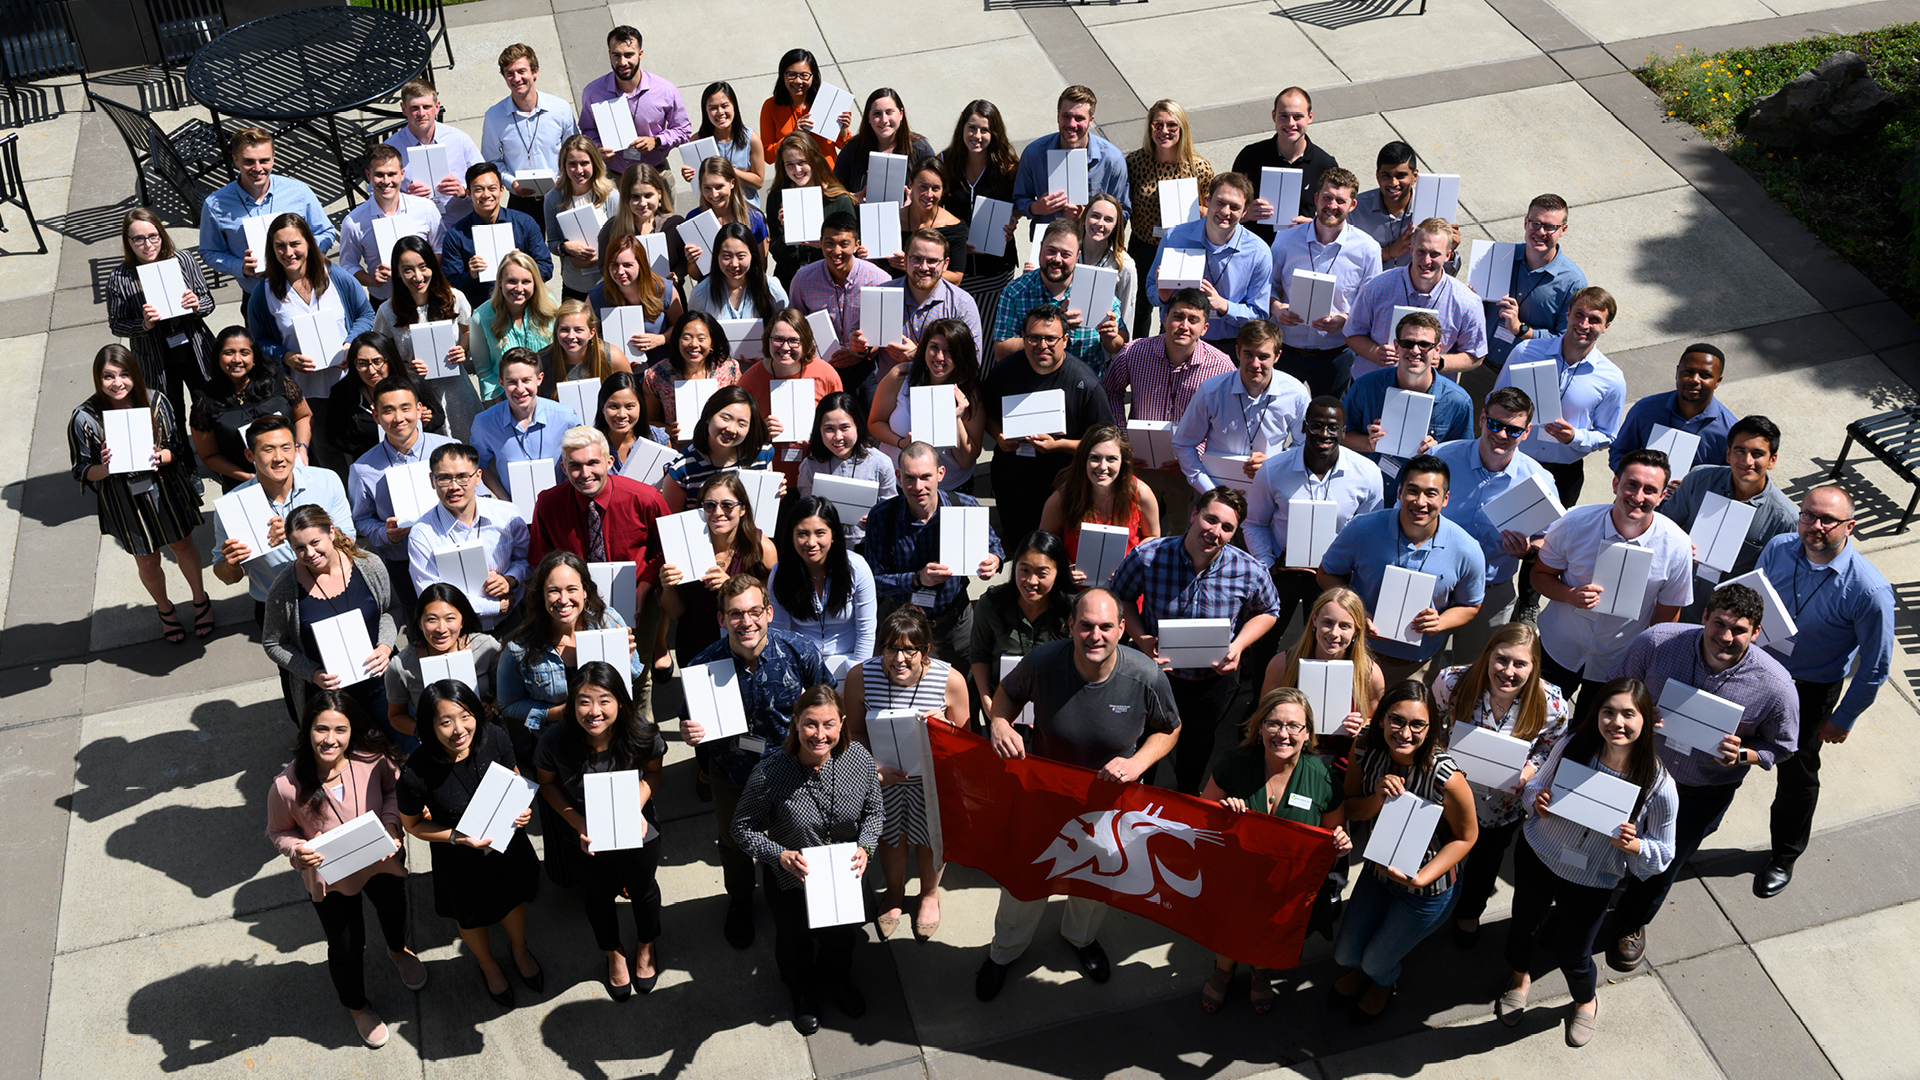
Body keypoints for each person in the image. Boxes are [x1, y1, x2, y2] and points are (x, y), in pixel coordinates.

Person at [976, 589, 1179, 1000]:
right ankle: (1004, 952)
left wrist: (1138, 764)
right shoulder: (1043, 661)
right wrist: (998, 723)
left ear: (1122, 630)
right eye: (1085, 625)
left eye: (1106, 626)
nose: (1095, 635)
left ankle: (1081, 939)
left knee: (1096, 881)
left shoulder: (1145, 676)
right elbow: (1009, 695)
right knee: (1026, 880)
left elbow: (1169, 727)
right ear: (1070, 626)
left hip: (1110, 805)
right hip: (1046, 797)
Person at [1600, 585, 1797, 969]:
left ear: (1756, 633)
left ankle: (1631, 923)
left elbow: (1784, 746)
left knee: (1663, 863)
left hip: (1700, 789)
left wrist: (1743, 754)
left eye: (1739, 629)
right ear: (1704, 616)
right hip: (1636, 771)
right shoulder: (1657, 642)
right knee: (1608, 839)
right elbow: (1615, 686)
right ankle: (1588, 904)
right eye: (1719, 623)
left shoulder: (1775, 685)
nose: (1726, 636)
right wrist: (1637, 712)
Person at [1501, 677, 1675, 1047]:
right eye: (1608, 712)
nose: (1617, 722)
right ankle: (1519, 979)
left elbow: (1664, 853)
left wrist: (1635, 847)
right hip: (1539, 854)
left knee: (1575, 952)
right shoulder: (1573, 746)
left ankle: (1585, 1000)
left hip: (1593, 877)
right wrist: (1538, 802)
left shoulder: (1658, 784)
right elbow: (1533, 789)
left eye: (1628, 714)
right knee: (1523, 927)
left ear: (1646, 720)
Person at [1751, 485, 1895, 899]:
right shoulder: (1779, 547)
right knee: (1720, 752)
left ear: (1849, 526)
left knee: (1796, 775)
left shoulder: (1869, 591)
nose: (1815, 526)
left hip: (1809, 690)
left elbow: (1875, 665)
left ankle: (1784, 855)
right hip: (1759, 669)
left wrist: (1843, 717)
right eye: (1808, 515)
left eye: (1827, 520)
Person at [683, 575, 837, 948]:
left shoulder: (801, 653)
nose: (746, 622)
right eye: (735, 614)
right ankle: (740, 899)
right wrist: (691, 733)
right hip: (732, 775)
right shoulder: (702, 666)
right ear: (721, 619)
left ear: (769, 612)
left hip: (793, 771)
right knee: (735, 844)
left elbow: (830, 704)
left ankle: (807, 896)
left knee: (806, 836)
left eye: (754, 611)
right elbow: (688, 718)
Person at [266, 691, 423, 1048]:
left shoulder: (372, 759)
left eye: (341, 729)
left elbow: (393, 792)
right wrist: (296, 851)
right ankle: (357, 1004)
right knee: (346, 947)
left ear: (353, 731)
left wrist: (392, 826)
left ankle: (398, 950)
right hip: (332, 879)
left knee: (395, 912)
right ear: (307, 730)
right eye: (322, 729)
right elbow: (280, 831)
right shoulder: (286, 786)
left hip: (380, 861)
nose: (330, 739)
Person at [731, 683, 883, 1034]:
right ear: (796, 722)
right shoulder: (770, 773)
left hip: (843, 877)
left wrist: (866, 846)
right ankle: (802, 993)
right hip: (791, 880)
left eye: (829, 724)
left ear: (842, 723)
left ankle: (838, 982)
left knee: (841, 939)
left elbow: (875, 812)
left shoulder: (858, 759)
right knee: (795, 942)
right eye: (811, 724)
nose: (819, 734)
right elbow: (741, 828)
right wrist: (778, 854)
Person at [1111, 487, 1279, 792]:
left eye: (1227, 527)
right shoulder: (1148, 556)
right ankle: (1136, 802)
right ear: (1193, 514)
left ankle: (1184, 800)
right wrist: (1143, 638)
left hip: (1212, 682)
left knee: (1197, 748)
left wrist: (1239, 645)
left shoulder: (1248, 569)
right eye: (1210, 519)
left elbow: (1269, 610)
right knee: (1146, 743)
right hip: (1156, 676)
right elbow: (1120, 596)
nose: (1215, 532)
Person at [1330, 681, 1477, 1024]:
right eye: (1396, 720)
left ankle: (1383, 983)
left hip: (1425, 890)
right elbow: (1348, 808)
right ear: (1381, 719)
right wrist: (1377, 800)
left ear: (1430, 728)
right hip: (1378, 874)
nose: (1405, 732)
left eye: (1417, 724)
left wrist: (1419, 876)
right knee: (1345, 954)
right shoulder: (1365, 748)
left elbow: (1468, 837)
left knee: (1374, 962)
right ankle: (1369, 971)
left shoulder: (1445, 776)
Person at [1198, 687, 1350, 1013]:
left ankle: (1260, 972)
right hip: (1235, 874)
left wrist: (1340, 844)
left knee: (1270, 932)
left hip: (1283, 884)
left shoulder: (1322, 778)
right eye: (1273, 724)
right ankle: (1223, 970)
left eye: (1294, 726)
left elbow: (1332, 836)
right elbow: (1200, 816)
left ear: (1308, 733)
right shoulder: (1235, 762)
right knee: (1230, 925)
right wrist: (1223, 813)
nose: (1283, 734)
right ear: (1260, 727)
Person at [397, 680, 544, 1007]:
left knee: (512, 901)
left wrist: (523, 808)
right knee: (471, 916)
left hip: (505, 842)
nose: (458, 729)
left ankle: (519, 951)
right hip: (459, 858)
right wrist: (457, 837)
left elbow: (514, 775)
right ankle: (488, 965)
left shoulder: (494, 737)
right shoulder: (415, 774)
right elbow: (413, 824)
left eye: (465, 716)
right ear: (428, 726)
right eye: (445, 722)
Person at [1431, 621, 1570, 945]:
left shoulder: (1552, 706)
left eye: (1520, 663)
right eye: (1502, 659)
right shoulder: (1451, 682)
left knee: (1484, 864)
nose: (1508, 671)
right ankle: (1426, 906)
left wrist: (1528, 772)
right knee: (1435, 851)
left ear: (1534, 666)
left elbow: (1550, 748)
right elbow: (1432, 724)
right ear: (1488, 655)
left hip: (1501, 809)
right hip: (1446, 797)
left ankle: (1469, 912)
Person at [535, 662, 667, 1000]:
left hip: (636, 828)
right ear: (571, 704)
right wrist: (578, 822)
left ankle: (646, 944)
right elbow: (546, 785)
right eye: (584, 701)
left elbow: (653, 774)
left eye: (604, 700)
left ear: (620, 701)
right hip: (584, 835)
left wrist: (633, 806)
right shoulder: (555, 741)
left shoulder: (641, 733)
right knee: (597, 896)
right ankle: (613, 952)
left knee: (644, 889)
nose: (594, 711)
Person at [841, 604, 969, 940]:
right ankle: (894, 894)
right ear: (880, 648)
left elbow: (967, 740)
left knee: (929, 839)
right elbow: (853, 731)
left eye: (909, 650)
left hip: (932, 779)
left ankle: (929, 894)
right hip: (883, 777)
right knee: (889, 836)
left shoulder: (950, 680)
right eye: (891, 649)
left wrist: (943, 728)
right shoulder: (860, 677)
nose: (899, 659)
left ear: (925, 650)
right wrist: (872, 770)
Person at [1532, 450, 1693, 715]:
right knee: (1535, 721)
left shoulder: (1676, 546)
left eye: (1650, 490)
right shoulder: (1574, 522)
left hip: (1619, 663)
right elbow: (1539, 576)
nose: (1638, 497)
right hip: (1558, 649)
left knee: (1590, 740)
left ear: (1663, 496)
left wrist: (1647, 670)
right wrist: (1569, 594)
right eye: (1632, 484)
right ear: (1616, 484)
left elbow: (1665, 620)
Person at [69, 343, 210, 643]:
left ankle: (200, 599)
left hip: (164, 490)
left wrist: (162, 457)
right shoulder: (84, 417)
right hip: (123, 499)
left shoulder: (155, 402)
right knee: (147, 561)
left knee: (183, 545)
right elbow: (81, 469)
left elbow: (178, 448)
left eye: (123, 374)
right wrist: (105, 467)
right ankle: (165, 610)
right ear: (98, 378)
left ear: (134, 373)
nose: (117, 383)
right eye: (108, 376)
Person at [210, 416, 353, 713]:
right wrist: (230, 563)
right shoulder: (234, 506)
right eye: (268, 449)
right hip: (279, 606)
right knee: (300, 685)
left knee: (351, 671)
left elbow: (349, 545)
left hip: (335, 590)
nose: (280, 457)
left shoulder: (325, 480)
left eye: (286, 447)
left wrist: (296, 535)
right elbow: (226, 576)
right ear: (250, 455)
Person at [527, 426, 667, 704]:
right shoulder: (548, 503)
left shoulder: (645, 499)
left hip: (637, 600)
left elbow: (666, 549)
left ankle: (639, 735)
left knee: (636, 674)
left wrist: (644, 588)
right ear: (564, 469)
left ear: (609, 462)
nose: (585, 473)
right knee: (586, 677)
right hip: (572, 607)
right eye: (575, 466)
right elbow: (539, 560)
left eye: (593, 463)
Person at [1317, 454, 1485, 686]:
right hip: (1358, 657)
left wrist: (1441, 622)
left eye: (1431, 494)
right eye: (1413, 491)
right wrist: (1354, 610)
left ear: (1445, 499)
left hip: (1419, 667)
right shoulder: (1362, 529)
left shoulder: (1466, 549)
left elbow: (1471, 605)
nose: (1420, 501)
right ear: (1399, 492)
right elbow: (1326, 573)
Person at [1100, 288, 1233, 533]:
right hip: (1137, 463)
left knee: (1181, 532)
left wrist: (1198, 452)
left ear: (1205, 328)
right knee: (1130, 528)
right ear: (1164, 318)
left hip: (1186, 470)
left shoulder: (1221, 366)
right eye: (1177, 316)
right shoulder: (1135, 352)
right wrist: (1122, 440)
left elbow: (1227, 420)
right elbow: (1110, 391)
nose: (1184, 325)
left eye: (1193, 320)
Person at [1243, 397, 1384, 630]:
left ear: (1343, 432)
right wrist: (1267, 566)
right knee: (1264, 646)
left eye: (1333, 428)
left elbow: (1369, 534)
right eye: (1316, 426)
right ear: (1304, 427)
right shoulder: (1273, 470)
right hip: (1282, 573)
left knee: (1325, 648)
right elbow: (1253, 523)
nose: (1324, 434)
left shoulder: (1367, 474)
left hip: (1335, 579)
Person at [983, 304, 1117, 548]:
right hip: (1013, 483)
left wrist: (1059, 445)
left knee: (1056, 552)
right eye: (1034, 338)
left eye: (1050, 338)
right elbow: (988, 415)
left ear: (1065, 340)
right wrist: (999, 437)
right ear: (1023, 338)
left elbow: (1108, 446)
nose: (1041, 345)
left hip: (1064, 487)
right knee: (1018, 547)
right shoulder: (1004, 371)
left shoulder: (1085, 384)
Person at [1431, 386, 1549, 663]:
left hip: (1491, 594)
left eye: (1514, 430)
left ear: (1527, 432)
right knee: (1419, 672)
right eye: (1496, 424)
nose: (1502, 435)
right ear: (1483, 418)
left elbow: (1552, 544)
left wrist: (1529, 552)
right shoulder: (1440, 458)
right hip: (1433, 586)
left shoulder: (1539, 482)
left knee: (1474, 673)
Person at [864, 442, 1005, 673]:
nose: (917, 486)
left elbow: (995, 545)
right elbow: (873, 582)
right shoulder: (882, 517)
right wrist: (916, 579)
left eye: (925, 477)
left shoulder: (965, 506)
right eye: (909, 478)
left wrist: (995, 561)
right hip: (904, 627)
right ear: (898, 477)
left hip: (955, 621)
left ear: (941, 474)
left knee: (966, 687)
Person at [497, 549, 644, 758]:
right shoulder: (519, 647)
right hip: (558, 746)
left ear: (585, 591)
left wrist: (625, 661)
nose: (563, 599)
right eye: (554, 591)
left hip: (611, 740)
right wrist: (559, 712)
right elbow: (508, 704)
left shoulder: (608, 622)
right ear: (541, 595)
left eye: (572, 589)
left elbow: (633, 677)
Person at [1492, 285, 1625, 508]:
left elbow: (1608, 435)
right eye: (1579, 315)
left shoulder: (1612, 379)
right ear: (1568, 314)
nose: (1584, 325)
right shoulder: (1525, 352)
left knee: (1550, 540)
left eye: (1594, 320)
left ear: (1606, 327)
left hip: (1564, 475)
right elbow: (1494, 400)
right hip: (1513, 462)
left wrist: (1576, 437)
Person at [262, 505, 398, 721]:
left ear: (331, 532)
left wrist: (385, 646)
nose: (310, 554)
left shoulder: (369, 565)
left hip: (381, 684)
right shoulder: (284, 588)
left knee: (403, 749)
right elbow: (273, 643)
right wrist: (313, 674)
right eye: (299, 548)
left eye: (315, 542)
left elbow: (392, 609)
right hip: (330, 699)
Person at [245, 213, 377, 434]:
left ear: (308, 242)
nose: (288, 253)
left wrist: (349, 344)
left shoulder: (336, 277)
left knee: (361, 440)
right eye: (280, 246)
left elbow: (366, 314)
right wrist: (285, 356)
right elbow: (258, 339)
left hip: (350, 382)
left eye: (295, 244)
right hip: (306, 390)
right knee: (325, 449)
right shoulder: (263, 292)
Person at [1659, 415, 1796, 616]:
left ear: (1772, 460)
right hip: (1673, 595)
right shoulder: (1699, 479)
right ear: (1728, 454)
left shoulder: (1784, 519)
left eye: (1757, 454)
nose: (1747, 461)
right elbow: (1663, 527)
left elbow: (1778, 581)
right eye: (1740, 451)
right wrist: (1678, 543)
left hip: (1725, 619)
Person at [1268, 168, 1382, 400]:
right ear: (1316, 198)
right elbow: (1265, 284)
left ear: (1352, 206)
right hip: (1287, 351)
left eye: (1341, 200)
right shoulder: (1286, 240)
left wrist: (1345, 320)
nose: (1332, 205)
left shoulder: (1367, 249)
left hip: (1337, 356)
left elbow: (1373, 305)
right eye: (1327, 197)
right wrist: (1276, 307)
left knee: (1328, 427)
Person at [347, 375, 453, 622]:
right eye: (388, 411)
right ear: (376, 416)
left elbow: (478, 499)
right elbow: (361, 520)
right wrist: (385, 533)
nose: (399, 418)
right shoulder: (363, 468)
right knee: (423, 625)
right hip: (403, 562)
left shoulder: (450, 448)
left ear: (418, 409)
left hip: (452, 551)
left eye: (406, 408)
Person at [1340, 311, 1474, 499]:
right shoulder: (1366, 387)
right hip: (1366, 493)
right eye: (1408, 343)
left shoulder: (1458, 401)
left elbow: (1464, 460)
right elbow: (1340, 435)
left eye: (1425, 345)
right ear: (1396, 345)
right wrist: (1369, 443)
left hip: (1420, 502)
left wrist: (1438, 454)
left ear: (1438, 349)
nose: (1415, 351)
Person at [1172, 319, 1309, 498]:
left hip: (1270, 493)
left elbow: (1305, 445)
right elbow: (1183, 443)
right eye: (1248, 354)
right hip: (1216, 492)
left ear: (1277, 356)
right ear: (1237, 352)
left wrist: (1276, 464)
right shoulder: (1211, 391)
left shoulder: (1296, 394)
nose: (1255, 363)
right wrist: (1210, 490)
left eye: (1263, 356)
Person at [199, 127, 336, 298]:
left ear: (273, 158)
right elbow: (209, 251)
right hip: (257, 294)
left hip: (304, 286)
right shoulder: (216, 205)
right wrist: (239, 266)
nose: (257, 168)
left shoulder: (299, 192)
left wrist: (305, 253)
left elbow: (326, 232)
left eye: (264, 160)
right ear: (236, 160)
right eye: (249, 161)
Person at [1343, 218, 1486, 381]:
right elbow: (1352, 333)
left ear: (1447, 255)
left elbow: (1476, 355)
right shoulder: (1377, 287)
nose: (1426, 261)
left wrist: (1442, 362)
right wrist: (1375, 352)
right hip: (1373, 385)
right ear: (1411, 250)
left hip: (1428, 393)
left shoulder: (1467, 302)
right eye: (1421, 252)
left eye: (1435, 254)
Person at [407, 442, 530, 631]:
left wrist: (510, 579)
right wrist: (494, 606)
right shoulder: (422, 534)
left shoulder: (508, 515)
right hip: (458, 634)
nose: (454, 486)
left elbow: (526, 560)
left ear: (478, 477)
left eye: (463, 477)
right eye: (444, 479)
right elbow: (430, 597)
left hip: (512, 622)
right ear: (432, 481)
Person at [663, 473, 778, 672]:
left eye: (727, 505)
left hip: (747, 650)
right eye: (709, 505)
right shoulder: (683, 546)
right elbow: (675, 612)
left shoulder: (762, 549)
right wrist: (668, 587)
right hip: (695, 648)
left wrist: (733, 587)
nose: (718, 512)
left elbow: (773, 609)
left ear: (742, 509)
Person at [107, 207, 215, 419]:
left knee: (208, 405)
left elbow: (208, 301)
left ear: (161, 235)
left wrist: (196, 305)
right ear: (128, 242)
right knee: (169, 413)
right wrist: (143, 325)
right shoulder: (119, 278)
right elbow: (117, 324)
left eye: (153, 236)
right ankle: (179, 452)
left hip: (194, 346)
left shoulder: (183, 260)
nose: (148, 245)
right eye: (138, 239)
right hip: (155, 356)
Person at [372, 237, 482, 439]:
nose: (417, 276)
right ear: (397, 272)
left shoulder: (455, 298)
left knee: (469, 447)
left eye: (423, 267)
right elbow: (379, 354)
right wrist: (405, 367)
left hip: (456, 389)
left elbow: (467, 331)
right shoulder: (387, 311)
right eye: (407, 270)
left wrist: (462, 349)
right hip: (416, 394)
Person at [1148, 172, 1270, 349]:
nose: (1225, 212)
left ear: (1245, 211)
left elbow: (1259, 314)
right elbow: (1150, 286)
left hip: (1228, 347)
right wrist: (1163, 297)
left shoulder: (1259, 253)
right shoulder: (1175, 237)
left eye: (1235, 207)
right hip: (1177, 342)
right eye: (1220, 202)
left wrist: (1224, 306)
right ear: (1207, 200)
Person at [1125, 98, 1213, 337]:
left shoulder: (1200, 168)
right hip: (1143, 245)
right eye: (1157, 125)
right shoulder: (1134, 162)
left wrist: (1198, 212)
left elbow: (1210, 212)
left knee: (1175, 307)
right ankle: (1139, 356)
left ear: (1182, 128)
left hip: (1180, 248)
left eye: (1171, 125)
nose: (1164, 131)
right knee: (1140, 306)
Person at [789, 211, 892, 414]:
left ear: (856, 244)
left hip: (867, 368)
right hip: (820, 367)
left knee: (870, 428)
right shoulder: (803, 279)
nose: (836, 251)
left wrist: (858, 355)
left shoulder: (880, 280)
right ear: (820, 242)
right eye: (829, 243)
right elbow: (795, 327)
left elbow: (886, 334)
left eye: (844, 244)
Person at [988, 221, 1125, 372]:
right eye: (1051, 251)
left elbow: (1119, 344)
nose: (1057, 259)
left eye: (1066, 254)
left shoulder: (1095, 287)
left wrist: (1111, 337)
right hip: (1033, 385)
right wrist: (1052, 329)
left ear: (1077, 255)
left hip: (1085, 386)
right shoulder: (1015, 292)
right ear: (1041, 248)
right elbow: (1001, 351)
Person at [968, 529, 1073, 723]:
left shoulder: (1072, 610)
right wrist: (988, 702)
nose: (1031, 581)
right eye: (1024, 570)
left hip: (1053, 707)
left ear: (1058, 572)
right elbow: (979, 655)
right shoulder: (991, 604)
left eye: (1042, 573)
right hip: (999, 704)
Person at [189, 326, 312, 491]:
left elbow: (303, 416)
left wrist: (302, 449)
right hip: (246, 486)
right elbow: (209, 455)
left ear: (254, 358)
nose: (237, 359)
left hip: (295, 473)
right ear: (217, 357)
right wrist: (251, 478)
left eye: (244, 353)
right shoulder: (205, 400)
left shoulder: (278, 380)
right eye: (229, 353)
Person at [868, 319, 986, 492]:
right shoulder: (901, 376)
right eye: (934, 347)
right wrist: (901, 442)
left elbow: (966, 459)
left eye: (949, 351)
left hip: (949, 487)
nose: (939, 357)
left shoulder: (969, 394)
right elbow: (874, 423)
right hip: (899, 482)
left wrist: (957, 418)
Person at [1477, 194, 1587, 376]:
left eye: (1551, 227)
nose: (1541, 232)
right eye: (1535, 223)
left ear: (1563, 230)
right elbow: (1474, 309)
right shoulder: (1498, 257)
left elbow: (1565, 338)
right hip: (1480, 366)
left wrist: (1521, 329)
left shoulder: (1573, 282)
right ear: (1525, 223)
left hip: (1525, 375)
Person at [769, 496, 876, 678]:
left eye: (820, 533)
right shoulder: (780, 573)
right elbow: (779, 634)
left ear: (833, 535)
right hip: (801, 665)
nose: (811, 543)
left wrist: (855, 679)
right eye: (802, 534)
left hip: (850, 661)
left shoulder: (857, 568)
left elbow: (866, 631)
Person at [1038, 423, 1160, 580]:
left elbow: (1153, 537)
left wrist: (1132, 565)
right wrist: (1065, 566)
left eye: (1112, 459)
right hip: (1076, 590)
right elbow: (1044, 541)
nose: (1103, 467)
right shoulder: (1064, 495)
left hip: (1126, 586)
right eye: (1094, 458)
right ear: (1083, 459)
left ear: (1123, 461)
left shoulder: (1140, 493)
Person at [385, 582, 501, 744]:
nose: (441, 628)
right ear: (419, 623)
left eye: (450, 619)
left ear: (462, 620)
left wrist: (493, 710)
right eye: (431, 619)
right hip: (439, 748)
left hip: (487, 736)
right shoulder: (401, 665)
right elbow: (396, 715)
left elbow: (507, 690)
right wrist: (423, 731)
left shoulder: (486, 648)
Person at [940, 100, 1021, 331]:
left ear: (994, 133)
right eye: (971, 128)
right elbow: (933, 208)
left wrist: (1013, 219)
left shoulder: (1008, 168)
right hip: (956, 269)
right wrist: (951, 240)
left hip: (995, 270)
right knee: (955, 336)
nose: (977, 135)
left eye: (984, 130)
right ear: (962, 129)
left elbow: (1023, 202)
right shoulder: (944, 163)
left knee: (987, 335)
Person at [738, 310, 844, 482]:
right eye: (778, 339)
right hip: (770, 474)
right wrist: (761, 432)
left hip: (817, 472)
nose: (785, 347)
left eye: (794, 340)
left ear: (806, 341)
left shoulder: (826, 374)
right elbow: (736, 433)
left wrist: (820, 437)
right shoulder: (750, 379)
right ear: (768, 340)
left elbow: (842, 425)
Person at [1257, 586, 1384, 725]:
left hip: (1344, 745)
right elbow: (1263, 716)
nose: (1334, 633)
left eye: (1344, 626)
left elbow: (1375, 724)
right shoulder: (1282, 664)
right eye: (1327, 622)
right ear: (1314, 619)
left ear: (1356, 630)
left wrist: (1360, 727)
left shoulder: (1370, 673)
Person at [482, 42, 580, 218]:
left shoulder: (560, 109)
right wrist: (512, 183)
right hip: (521, 200)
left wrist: (563, 179)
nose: (516, 78)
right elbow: (492, 162)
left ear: (535, 72)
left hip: (562, 194)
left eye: (521, 71)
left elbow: (575, 152)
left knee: (570, 245)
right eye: (509, 74)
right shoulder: (494, 117)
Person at [1610, 342, 1736, 479]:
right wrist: (1634, 479)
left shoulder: (1730, 431)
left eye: (1705, 375)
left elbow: (1730, 480)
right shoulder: (1645, 410)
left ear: (1718, 381)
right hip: (1638, 498)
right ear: (1677, 372)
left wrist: (1692, 490)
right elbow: (1620, 451)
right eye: (1688, 372)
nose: (1694, 380)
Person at [339, 144, 444, 306]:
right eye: (379, 175)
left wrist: (423, 269)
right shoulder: (354, 222)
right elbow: (347, 266)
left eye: (391, 174)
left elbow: (440, 249)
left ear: (402, 175)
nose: (386, 181)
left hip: (426, 295)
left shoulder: (425, 208)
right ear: (368, 175)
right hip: (385, 301)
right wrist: (372, 279)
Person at [577, 25, 690, 176]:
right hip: (614, 178)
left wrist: (656, 141)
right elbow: (588, 130)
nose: (623, 62)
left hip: (656, 174)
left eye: (629, 55)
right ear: (609, 55)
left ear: (640, 54)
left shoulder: (666, 91)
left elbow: (683, 130)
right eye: (616, 55)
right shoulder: (593, 92)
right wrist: (597, 147)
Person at [1232, 87, 1338, 244]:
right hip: (1253, 248)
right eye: (1284, 116)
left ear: (1310, 117)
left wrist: (1314, 225)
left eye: (1298, 117)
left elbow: (1337, 217)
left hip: (1303, 249)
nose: (1291, 123)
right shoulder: (1250, 157)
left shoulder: (1325, 164)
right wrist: (1246, 215)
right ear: (1274, 116)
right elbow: (1226, 209)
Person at [1011, 85, 1129, 225]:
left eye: (1079, 118)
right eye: (1066, 116)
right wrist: (1036, 207)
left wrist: (1089, 215)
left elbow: (1123, 212)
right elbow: (1019, 200)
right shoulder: (1034, 154)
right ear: (1058, 117)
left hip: (1090, 243)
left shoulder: (1112, 160)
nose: (1071, 124)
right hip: (1047, 242)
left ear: (1091, 121)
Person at [472, 349, 580, 500]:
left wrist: (562, 492)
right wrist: (503, 498)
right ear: (501, 383)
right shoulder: (484, 423)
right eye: (512, 382)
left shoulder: (566, 418)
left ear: (539, 379)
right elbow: (479, 464)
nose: (520, 389)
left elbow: (580, 460)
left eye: (526, 380)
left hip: (561, 505)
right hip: (514, 509)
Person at [442, 162, 554, 308]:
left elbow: (546, 267)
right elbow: (450, 282)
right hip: (481, 310)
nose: (486, 194)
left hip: (525, 306)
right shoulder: (456, 234)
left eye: (492, 188)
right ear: (468, 193)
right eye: (478, 189)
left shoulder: (524, 223)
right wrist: (471, 275)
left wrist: (524, 266)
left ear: (502, 191)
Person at [327, 332, 443, 465]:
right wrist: (367, 451)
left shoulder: (412, 382)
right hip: (373, 464)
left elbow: (439, 415)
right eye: (362, 363)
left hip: (419, 460)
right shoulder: (342, 392)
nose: (371, 371)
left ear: (390, 359)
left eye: (377, 361)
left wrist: (427, 422)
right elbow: (333, 435)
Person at [800, 390, 898, 545]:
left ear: (857, 426)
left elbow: (892, 511)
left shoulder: (880, 463)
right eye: (829, 429)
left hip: (869, 544)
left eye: (845, 427)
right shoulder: (810, 465)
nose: (838, 437)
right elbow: (804, 513)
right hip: (825, 548)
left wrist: (876, 518)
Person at [660, 385, 778, 513]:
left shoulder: (761, 455)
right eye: (725, 418)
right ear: (708, 417)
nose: (731, 429)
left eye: (742, 424)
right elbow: (672, 521)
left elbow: (762, 510)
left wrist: (774, 495)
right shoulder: (682, 469)